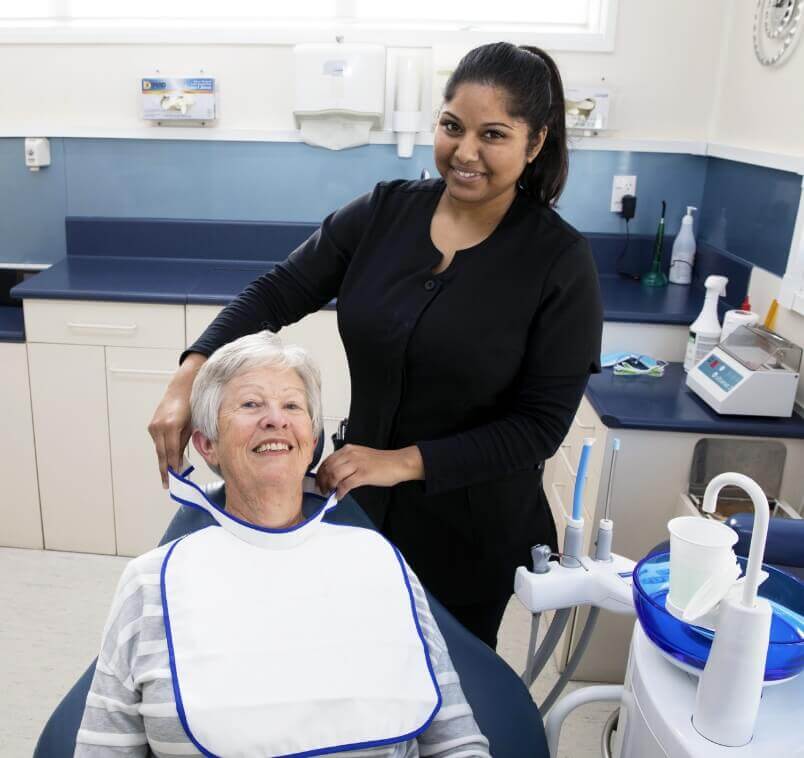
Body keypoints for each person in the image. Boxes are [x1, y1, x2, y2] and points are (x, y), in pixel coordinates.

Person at [149, 42, 603, 649]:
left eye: (492, 134)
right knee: (346, 658)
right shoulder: (387, 211)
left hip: (468, 532)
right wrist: (188, 379)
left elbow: (539, 427)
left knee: (440, 687)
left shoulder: (560, 262)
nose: (465, 152)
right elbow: (277, 292)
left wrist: (400, 461)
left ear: (536, 142)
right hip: (356, 508)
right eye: (452, 127)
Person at [76, 332, 489, 758]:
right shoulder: (149, 583)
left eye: (292, 406)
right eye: (251, 404)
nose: (276, 419)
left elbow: (457, 741)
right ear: (207, 445)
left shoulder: (379, 561)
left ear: (310, 441)